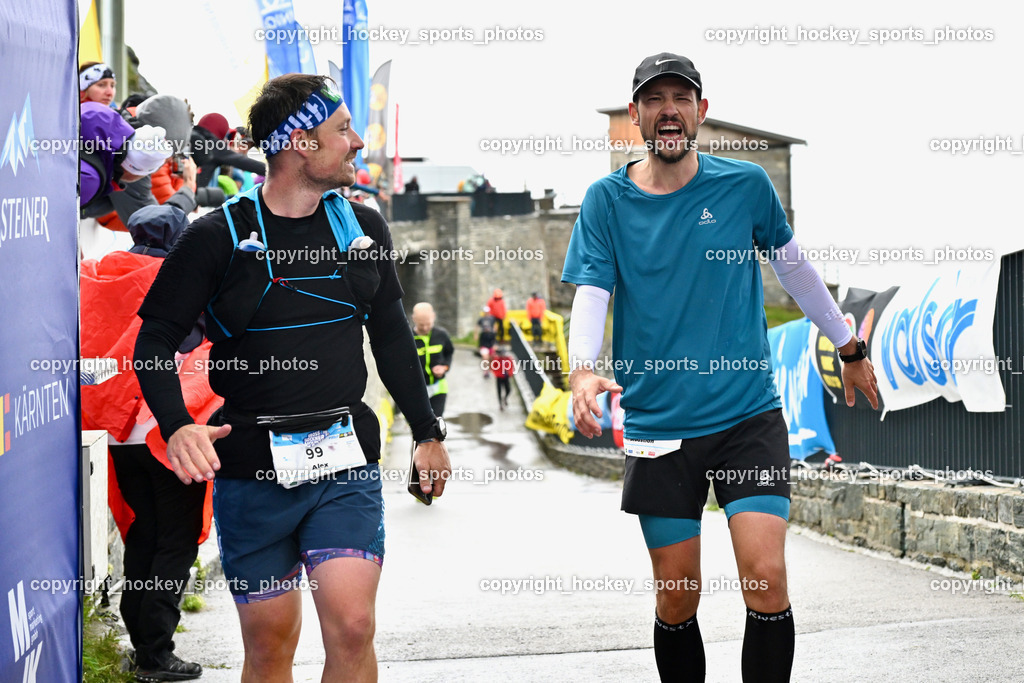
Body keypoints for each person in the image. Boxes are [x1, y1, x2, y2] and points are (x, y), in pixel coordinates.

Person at [562, 53, 878, 683]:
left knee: (766, 578)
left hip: (746, 415)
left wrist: (848, 345)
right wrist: (581, 369)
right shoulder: (607, 200)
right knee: (677, 596)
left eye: (682, 98)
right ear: (636, 117)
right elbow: (592, 291)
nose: (669, 110)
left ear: (702, 112)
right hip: (659, 425)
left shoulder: (746, 186)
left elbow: (794, 269)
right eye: (655, 100)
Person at [134, 74, 451, 681]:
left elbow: (389, 336)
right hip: (252, 463)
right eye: (342, 130)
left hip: (343, 458)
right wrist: (177, 427)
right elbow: (153, 341)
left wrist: (427, 432)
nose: (358, 142)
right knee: (270, 645)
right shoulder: (216, 236)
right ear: (300, 142)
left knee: (354, 627)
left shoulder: (362, 231)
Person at [80, 205, 218, 680]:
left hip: (116, 433)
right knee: (175, 542)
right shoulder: (176, 280)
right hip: (170, 429)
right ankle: (156, 653)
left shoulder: (100, 277)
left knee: (144, 534)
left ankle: (143, 643)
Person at [411, 302, 455, 417]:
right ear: (413, 319)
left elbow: (449, 353)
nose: (425, 328)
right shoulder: (407, 338)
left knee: (436, 425)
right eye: (421, 325)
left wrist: (445, 367)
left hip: (438, 387)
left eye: (428, 324)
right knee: (421, 428)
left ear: (434, 317)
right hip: (416, 390)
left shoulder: (442, 335)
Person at [491, 345, 515, 411]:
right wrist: (497, 374)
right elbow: (493, 368)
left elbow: (511, 367)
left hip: (506, 377)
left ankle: (505, 398)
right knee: (499, 391)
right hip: (499, 377)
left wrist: (510, 373)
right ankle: (500, 405)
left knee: (508, 390)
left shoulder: (508, 359)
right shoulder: (496, 359)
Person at [477, 314, 496, 379]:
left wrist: (494, 346)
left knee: (491, 358)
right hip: (484, 347)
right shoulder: (482, 334)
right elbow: (480, 343)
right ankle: (485, 371)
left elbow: (494, 342)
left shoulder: (492, 334)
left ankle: (489, 369)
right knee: (485, 357)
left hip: (490, 347)